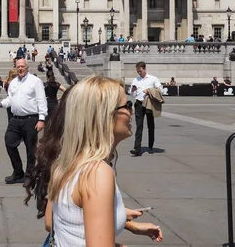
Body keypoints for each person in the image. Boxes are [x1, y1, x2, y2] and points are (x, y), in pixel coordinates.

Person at [43, 76, 163, 245]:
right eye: (126, 105)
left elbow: (51, 222)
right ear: (105, 115)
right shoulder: (97, 173)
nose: (130, 112)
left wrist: (123, 218)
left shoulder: (66, 161)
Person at [0, 58, 47, 185]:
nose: (20, 69)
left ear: (27, 67)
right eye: (18, 67)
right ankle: (18, 172)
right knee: (9, 142)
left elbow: (41, 101)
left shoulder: (35, 81)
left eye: (22, 66)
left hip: (31, 119)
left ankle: (30, 175)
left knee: (30, 150)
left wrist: (42, 119)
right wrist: (0, 104)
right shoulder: (14, 82)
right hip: (15, 119)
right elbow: (11, 99)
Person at [130, 61, 162, 156]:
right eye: (138, 71)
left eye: (140, 71)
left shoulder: (153, 79)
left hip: (149, 104)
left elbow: (160, 89)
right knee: (139, 126)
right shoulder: (136, 80)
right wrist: (133, 91)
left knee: (150, 125)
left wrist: (149, 91)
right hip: (139, 103)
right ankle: (137, 148)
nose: (139, 73)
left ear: (144, 69)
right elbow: (132, 94)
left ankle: (150, 146)